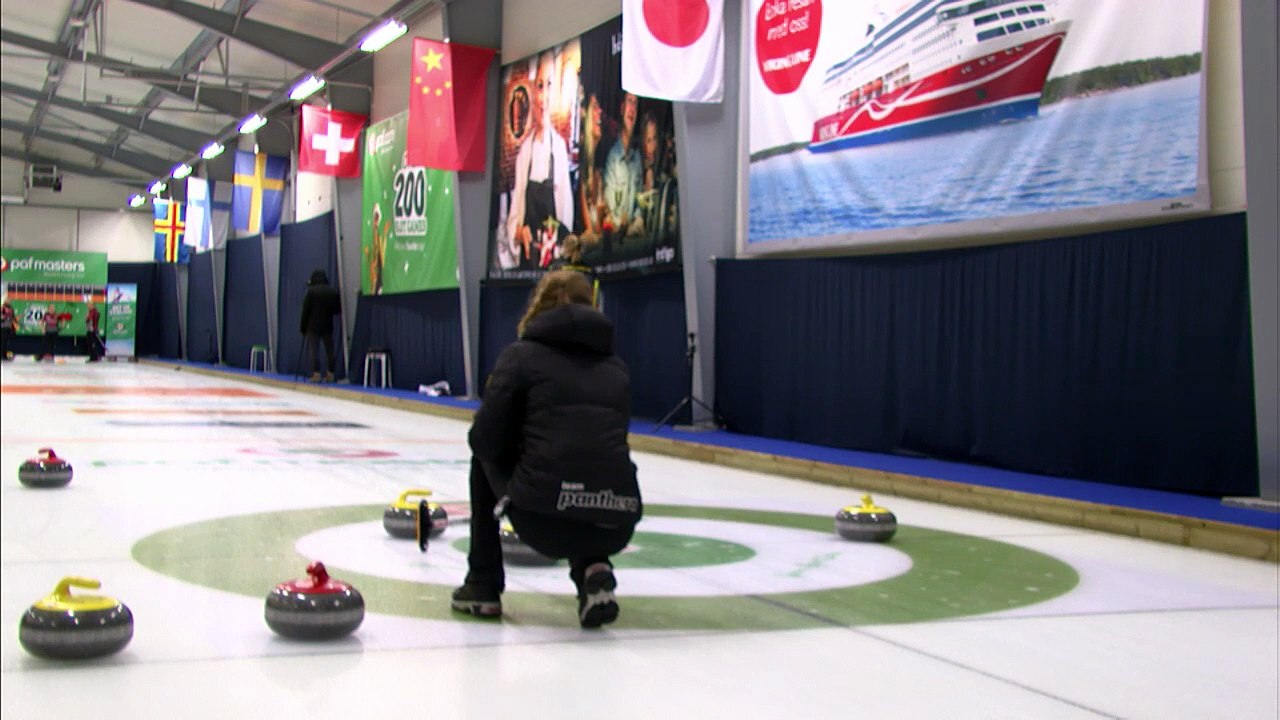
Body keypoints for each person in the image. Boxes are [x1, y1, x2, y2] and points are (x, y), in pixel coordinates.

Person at [453, 270, 641, 628]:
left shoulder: (520, 357)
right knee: (590, 462)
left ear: (538, 307)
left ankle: (482, 584)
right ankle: (593, 569)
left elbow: (485, 440)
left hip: (543, 520)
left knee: (484, 458)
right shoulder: (616, 368)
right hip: (614, 521)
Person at [505, 51, 574, 270]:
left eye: (550, 85)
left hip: (554, 266)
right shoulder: (525, 152)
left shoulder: (560, 150)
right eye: (540, 85)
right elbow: (514, 216)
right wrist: (520, 231)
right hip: (528, 262)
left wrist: (555, 246)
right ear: (533, 90)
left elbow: (566, 219)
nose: (543, 97)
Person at [602, 92, 642, 243]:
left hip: (635, 241)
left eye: (636, 105)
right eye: (630, 102)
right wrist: (622, 227)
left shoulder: (637, 158)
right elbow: (609, 209)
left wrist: (638, 219)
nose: (632, 109)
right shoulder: (612, 159)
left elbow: (639, 202)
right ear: (622, 108)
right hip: (616, 242)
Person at [300, 269, 341, 382]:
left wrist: (303, 328)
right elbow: (337, 310)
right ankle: (331, 374)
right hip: (328, 325)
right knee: (330, 350)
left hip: (313, 326)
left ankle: (316, 374)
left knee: (314, 350)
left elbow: (306, 311)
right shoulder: (332, 291)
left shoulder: (311, 292)